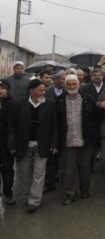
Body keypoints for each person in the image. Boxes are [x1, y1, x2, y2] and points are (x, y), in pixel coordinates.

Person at [8, 79, 59, 213]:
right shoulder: (18, 103)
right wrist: (12, 144)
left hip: (42, 145)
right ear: (31, 91)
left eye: (44, 90)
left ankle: (34, 200)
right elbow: (11, 126)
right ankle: (29, 194)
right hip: (23, 145)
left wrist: (54, 143)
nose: (43, 92)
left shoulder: (50, 104)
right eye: (40, 90)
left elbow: (55, 126)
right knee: (24, 173)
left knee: (39, 173)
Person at [56, 75, 97, 205]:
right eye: (69, 84)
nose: (72, 87)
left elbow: (95, 118)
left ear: (78, 85)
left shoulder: (87, 99)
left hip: (84, 140)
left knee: (85, 168)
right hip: (67, 141)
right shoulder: (59, 100)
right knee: (69, 170)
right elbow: (56, 122)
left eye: (74, 84)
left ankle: (84, 190)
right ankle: (70, 193)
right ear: (65, 85)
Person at [0, 79, 15, 205]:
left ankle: (8, 192)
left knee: (7, 169)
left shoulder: (13, 103)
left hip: (6, 142)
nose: (1, 90)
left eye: (3, 88)